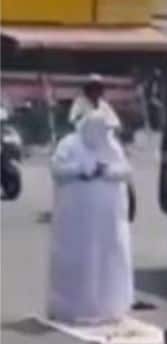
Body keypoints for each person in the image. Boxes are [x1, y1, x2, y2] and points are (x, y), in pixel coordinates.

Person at [47, 112, 134, 325]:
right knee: (77, 261)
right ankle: (69, 307)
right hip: (76, 221)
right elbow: (56, 170)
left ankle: (109, 307)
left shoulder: (111, 145)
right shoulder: (69, 145)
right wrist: (79, 170)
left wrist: (106, 171)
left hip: (107, 222)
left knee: (107, 262)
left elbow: (125, 170)